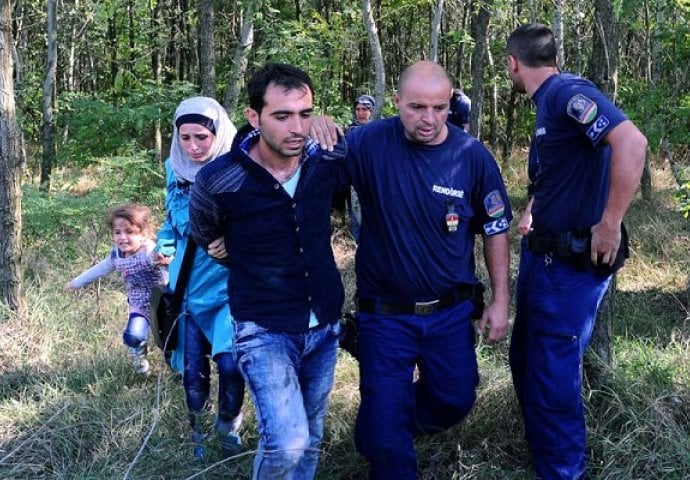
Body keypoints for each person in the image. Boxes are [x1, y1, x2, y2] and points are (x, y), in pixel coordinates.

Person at [310, 60, 513, 479]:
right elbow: (304, 174)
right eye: (417, 107)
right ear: (397, 101)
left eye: (439, 108)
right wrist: (315, 124)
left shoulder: (471, 156)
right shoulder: (366, 143)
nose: (429, 119)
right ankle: (387, 436)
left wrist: (500, 299)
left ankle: (387, 425)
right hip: (385, 317)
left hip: (451, 313)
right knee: (388, 442)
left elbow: (495, 229)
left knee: (455, 401)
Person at [189, 63, 346, 479]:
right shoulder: (219, 179)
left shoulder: (326, 160)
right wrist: (228, 251)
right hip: (264, 325)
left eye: (305, 113)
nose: (297, 127)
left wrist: (327, 123)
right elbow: (205, 233)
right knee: (287, 442)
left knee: (309, 439)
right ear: (254, 117)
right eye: (282, 115)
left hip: (324, 322)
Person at [506, 23, 647, 479]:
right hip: (541, 254)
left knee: (551, 373)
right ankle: (542, 453)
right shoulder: (549, 103)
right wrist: (532, 210)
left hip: (567, 266)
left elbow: (631, 141)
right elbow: (560, 172)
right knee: (524, 357)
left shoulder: (566, 93)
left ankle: (564, 472)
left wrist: (610, 224)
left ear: (512, 64)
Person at [153, 96, 245, 460]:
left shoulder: (240, 167)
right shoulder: (173, 168)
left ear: (218, 132)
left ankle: (228, 429)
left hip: (229, 288)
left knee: (231, 363)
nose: (193, 146)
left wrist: (232, 240)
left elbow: (262, 219)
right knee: (193, 373)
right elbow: (171, 221)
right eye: (185, 137)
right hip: (188, 288)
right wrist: (163, 244)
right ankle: (198, 434)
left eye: (202, 137)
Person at [65, 203, 167, 376]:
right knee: (133, 336)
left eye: (129, 232)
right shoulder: (117, 255)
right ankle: (139, 355)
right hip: (139, 303)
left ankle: (177, 369)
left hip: (163, 302)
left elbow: (163, 259)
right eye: (117, 232)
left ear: (143, 234)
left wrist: (164, 258)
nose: (122, 237)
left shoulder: (149, 251)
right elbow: (100, 268)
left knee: (169, 339)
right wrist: (76, 283)